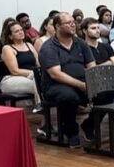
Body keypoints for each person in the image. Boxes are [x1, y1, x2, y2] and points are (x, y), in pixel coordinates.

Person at [38, 12, 96, 147]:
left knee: (107, 92)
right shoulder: (49, 47)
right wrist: (81, 85)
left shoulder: (80, 43)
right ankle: (71, 131)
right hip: (56, 86)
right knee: (68, 96)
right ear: (57, 26)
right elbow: (55, 74)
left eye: (73, 22)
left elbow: (91, 65)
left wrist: (93, 82)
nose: (73, 25)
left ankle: (89, 125)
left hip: (82, 83)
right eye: (68, 23)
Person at [0, 19, 40, 105]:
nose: (21, 32)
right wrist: (34, 73)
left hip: (32, 77)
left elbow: (38, 64)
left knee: (43, 81)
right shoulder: (7, 48)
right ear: (10, 36)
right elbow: (15, 71)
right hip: (12, 79)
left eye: (21, 30)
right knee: (39, 84)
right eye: (17, 31)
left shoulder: (29, 45)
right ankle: (41, 106)